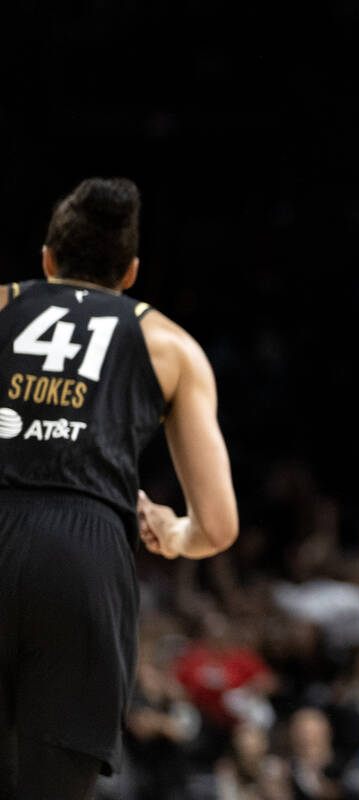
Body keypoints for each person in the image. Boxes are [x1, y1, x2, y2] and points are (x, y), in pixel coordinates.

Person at [0, 177, 238, 798]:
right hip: (86, 555)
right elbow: (216, 526)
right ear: (130, 273)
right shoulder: (172, 345)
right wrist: (173, 534)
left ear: (47, 260)